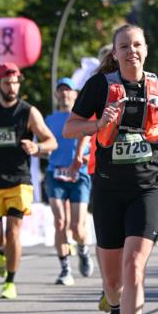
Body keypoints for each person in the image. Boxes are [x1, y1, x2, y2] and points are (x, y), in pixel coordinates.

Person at [63, 23, 158, 314]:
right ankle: (115, 311)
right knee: (113, 282)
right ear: (114, 53)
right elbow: (71, 128)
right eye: (124, 46)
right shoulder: (100, 86)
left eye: (136, 44)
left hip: (150, 184)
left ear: (145, 49)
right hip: (108, 188)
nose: (131, 50)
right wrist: (99, 122)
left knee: (135, 265)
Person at [0, 62, 56, 300]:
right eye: (7, 83)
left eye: (15, 83)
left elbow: (51, 141)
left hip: (19, 180)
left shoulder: (28, 112)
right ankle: (1, 252)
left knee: (14, 232)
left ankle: (10, 281)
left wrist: (37, 147)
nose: (12, 87)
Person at [44, 77, 94, 285]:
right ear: (57, 95)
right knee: (59, 222)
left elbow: (92, 143)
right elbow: (44, 145)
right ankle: (65, 269)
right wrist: (37, 149)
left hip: (79, 175)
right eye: (61, 90)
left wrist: (85, 157)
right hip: (55, 174)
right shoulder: (49, 120)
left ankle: (83, 250)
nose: (65, 94)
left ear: (75, 94)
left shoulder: (84, 118)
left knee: (77, 228)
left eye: (68, 91)